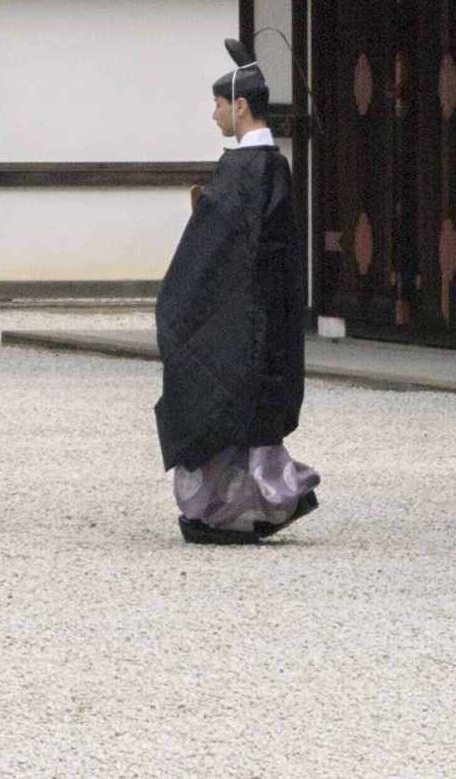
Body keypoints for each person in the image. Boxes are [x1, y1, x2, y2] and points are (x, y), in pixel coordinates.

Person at [152, 38, 315, 545]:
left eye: (219, 104)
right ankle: (258, 503)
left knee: (217, 401)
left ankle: (224, 513)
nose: (214, 114)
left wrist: (177, 309)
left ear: (240, 106)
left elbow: (215, 257)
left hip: (240, 321)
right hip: (266, 319)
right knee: (247, 419)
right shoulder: (274, 167)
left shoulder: (245, 171)